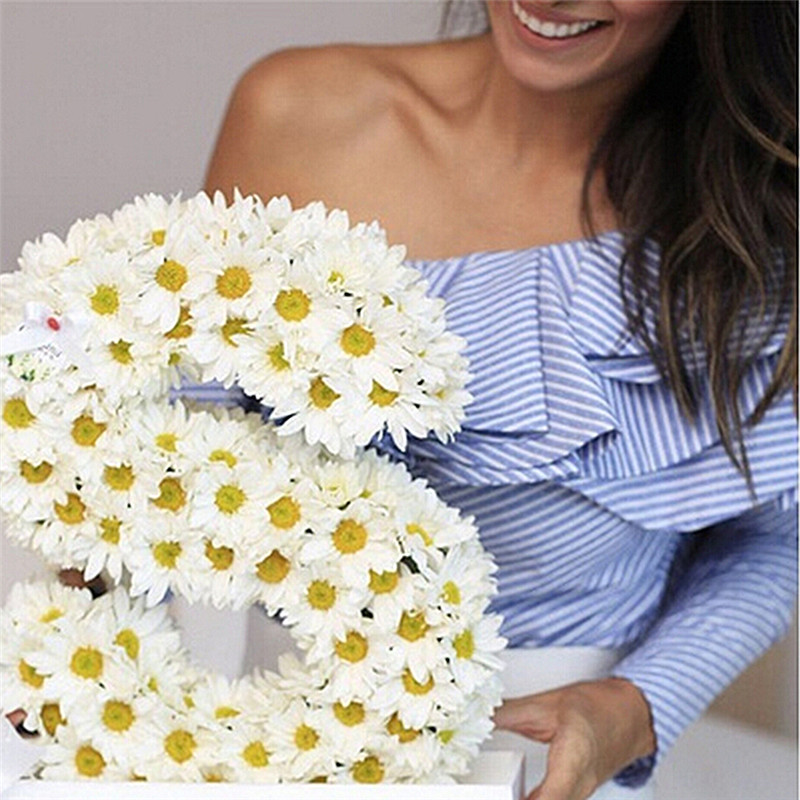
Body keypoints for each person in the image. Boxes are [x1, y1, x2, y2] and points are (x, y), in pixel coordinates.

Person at [201, 2, 798, 799]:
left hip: (550, 770)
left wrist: (636, 706)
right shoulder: (294, 112)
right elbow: (196, 438)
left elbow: (770, 540)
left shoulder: (749, 213)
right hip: (269, 751)